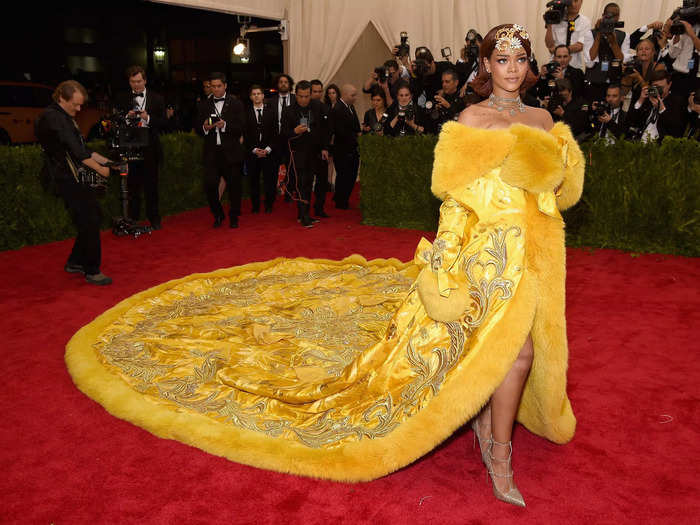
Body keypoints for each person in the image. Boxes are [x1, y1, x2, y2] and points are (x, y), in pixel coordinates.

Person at [65, 23, 582, 509]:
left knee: (515, 352)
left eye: (520, 59)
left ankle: (494, 436)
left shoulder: (542, 121)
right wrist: (445, 262)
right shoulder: (471, 120)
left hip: (531, 255)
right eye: (501, 59)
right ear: (486, 66)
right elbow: (453, 198)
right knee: (502, 349)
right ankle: (497, 450)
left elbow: (559, 195)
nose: (511, 69)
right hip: (481, 254)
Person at [35, 80, 113, 285]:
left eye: (81, 105)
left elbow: (83, 148)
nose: (79, 109)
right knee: (89, 219)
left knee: (92, 216)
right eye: (75, 104)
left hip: (74, 175)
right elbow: (77, 152)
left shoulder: (64, 116)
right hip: (65, 177)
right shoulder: (52, 117)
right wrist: (102, 169)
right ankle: (92, 270)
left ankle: (75, 262)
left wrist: (110, 162)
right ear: (62, 98)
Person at [116, 66, 166, 230]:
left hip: (150, 147)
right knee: (132, 186)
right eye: (132, 82)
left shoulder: (157, 99)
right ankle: (133, 218)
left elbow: (165, 123)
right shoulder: (122, 98)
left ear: (145, 80)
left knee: (151, 186)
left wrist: (148, 117)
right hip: (130, 146)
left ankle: (154, 218)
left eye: (138, 81)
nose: (136, 85)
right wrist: (126, 118)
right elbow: (116, 121)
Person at [197, 72, 246, 228]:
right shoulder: (203, 104)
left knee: (234, 188)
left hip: (231, 152)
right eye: (213, 86)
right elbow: (198, 128)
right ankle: (218, 214)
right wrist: (204, 127)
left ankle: (234, 216)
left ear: (225, 86)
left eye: (219, 86)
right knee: (210, 185)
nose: (216, 89)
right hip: (212, 153)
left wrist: (225, 125)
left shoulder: (236, 103)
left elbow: (241, 128)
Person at [281, 80, 330, 226]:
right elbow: (282, 134)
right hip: (297, 153)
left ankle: (304, 214)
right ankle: (304, 216)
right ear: (296, 95)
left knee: (309, 184)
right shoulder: (288, 111)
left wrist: (324, 148)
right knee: (301, 184)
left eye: (306, 96)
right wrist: (294, 131)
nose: (304, 99)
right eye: (301, 96)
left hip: (314, 152)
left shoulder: (318, 107)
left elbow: (323, 130)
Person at [585, 3, 632, 103]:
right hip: (594, 81)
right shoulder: (591, 34)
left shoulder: (624, 36)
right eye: (609, 15)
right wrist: (598, 34)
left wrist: (613, 42)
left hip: (614, 83)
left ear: (618, 17)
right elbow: (590, 60)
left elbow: (622, 60)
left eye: (615, 15)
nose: (612, 18)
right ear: (603, 15)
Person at [626, 69, 689, 142]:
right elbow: (630, 122)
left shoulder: (677, 102)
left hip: (660, 146)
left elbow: (676, 130)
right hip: (639, 141)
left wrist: (662, 109)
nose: (658, 91)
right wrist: (640, 100)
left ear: (669, 85)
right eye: (655, 87)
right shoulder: (648, 98)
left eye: (660, 88)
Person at [244, 85, 277, 214]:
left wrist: (267, 149)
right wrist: (254, 149)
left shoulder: (271, 112)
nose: (256, 96)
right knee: (253, 181)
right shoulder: (246, 113)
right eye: (254, 94)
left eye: (259, 93)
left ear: (263, 96)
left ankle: (269, 204)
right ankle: (255, 206)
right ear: (251, 97)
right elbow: (245, 134)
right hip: (253, 153)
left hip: (269, 153)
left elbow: (276, 133)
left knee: (269, 180)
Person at [329, 84, 361, 210]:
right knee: (344, 176)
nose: (355, 98)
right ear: (345, 95)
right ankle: (341, 201)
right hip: (342, 150)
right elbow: (340, 132)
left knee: (351, 175)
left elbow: (355, 126)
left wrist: (360, 132)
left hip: (352, 149)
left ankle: (341, 198)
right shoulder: (337, 109)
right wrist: (356, 137)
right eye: (353, 95)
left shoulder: (350, 106)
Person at [267, 74, 296, 200]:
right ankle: (272, 193)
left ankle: (289, 193)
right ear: (277, 85)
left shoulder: (296, 99)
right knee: (273, 167)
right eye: (281, 82)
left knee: (291, 167)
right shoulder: (270, 101)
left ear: (290, 85)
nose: (283, 84)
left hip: (291, 138)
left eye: (286, 82)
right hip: (275, 139)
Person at [544, 0, 593, 72]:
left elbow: (579, 46)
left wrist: (558, 53)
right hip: (555, 67)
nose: (573, 4)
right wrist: (549, 25)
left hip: (575, 66)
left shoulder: (585, 21)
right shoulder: (555, 18)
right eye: (570, 1)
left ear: (581, 2)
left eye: (576, 1)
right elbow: (549, 45)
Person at [309, 79, 331, 218]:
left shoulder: (325, 108)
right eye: (314, 92)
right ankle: (304, 210)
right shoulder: (303, 107)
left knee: (322, 181)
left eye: (319, 91)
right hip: (307, 151)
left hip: (321, 151)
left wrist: (325, 148)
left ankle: (319, 208)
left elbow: (327, 131)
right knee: (306, 181)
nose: (317, 94)